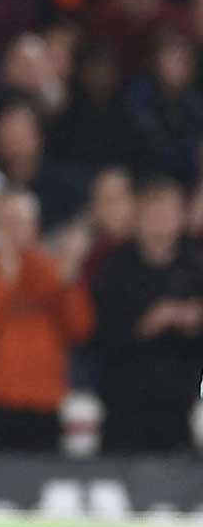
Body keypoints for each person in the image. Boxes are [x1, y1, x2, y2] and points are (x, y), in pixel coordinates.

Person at [0, 191, 93, 452]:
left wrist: (70, 283)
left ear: (35, 227)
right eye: (9, 222)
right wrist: (3, 282)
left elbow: (79, 329)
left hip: (43, 400)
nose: (15, 231)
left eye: (22, 222)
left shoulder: (52, 270)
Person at [91, 179, 203, 452]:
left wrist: (194, 322)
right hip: (124, 404)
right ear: (138, 218)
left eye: (167, 213)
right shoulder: (115, 267)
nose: (160, 222)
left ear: (180, 218)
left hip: (177, 405)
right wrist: (146, 325)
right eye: (153, 214)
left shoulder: (195, 267)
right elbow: (99, 334)